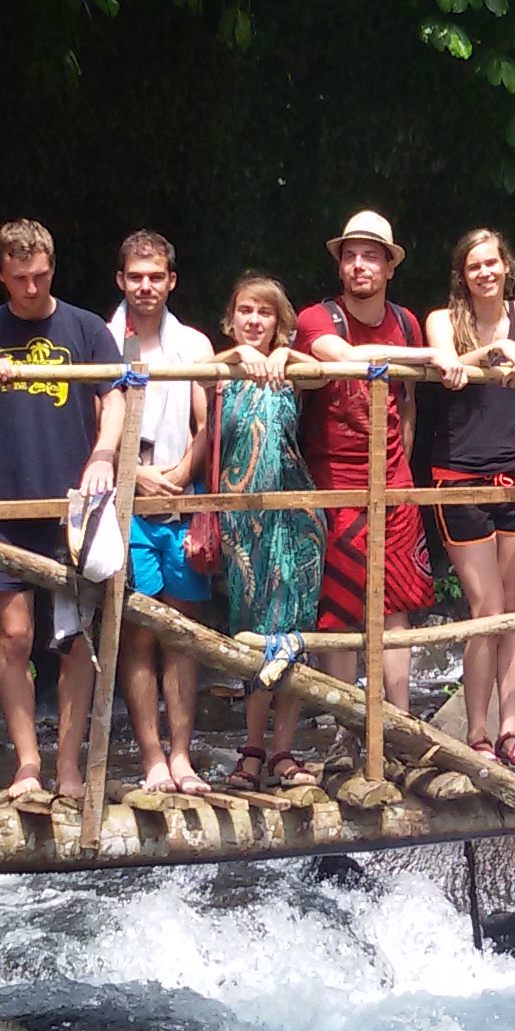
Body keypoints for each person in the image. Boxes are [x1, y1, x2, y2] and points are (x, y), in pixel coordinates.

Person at [0, 219, 128, 803]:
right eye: (20, 277)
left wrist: (104, 452)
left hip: (73, 507)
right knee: (13, 636)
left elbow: (116, 396)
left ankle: (68, 768)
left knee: (75, 638)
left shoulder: (85, 327)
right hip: (4, 500)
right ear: (1, 273)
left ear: (53, 267)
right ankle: (27, 764)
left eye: (40, 275)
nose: (31, 288)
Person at [422, 229, 515, 773]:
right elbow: (447, 360)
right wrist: (497, 350)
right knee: (485, 611)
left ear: (508, 266)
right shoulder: (445, 317)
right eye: (473, 266)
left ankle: (510, 732)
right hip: (460, 474)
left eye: (492, 263)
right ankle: (477, 731)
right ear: (462, 275)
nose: (485, 272)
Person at [295, 211, 446, 729]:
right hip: (334, 477)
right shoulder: (318, 318)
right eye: (351, 256)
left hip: (393, 477)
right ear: (340, 266)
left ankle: (399, 724)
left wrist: (398, 463)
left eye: (371, 256)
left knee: (398, 599)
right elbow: (350, 357)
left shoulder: (405, 321)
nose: (360, 265)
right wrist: (428, 353)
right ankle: (344, 726)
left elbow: (406, 406)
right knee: (338, 603)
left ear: (389, 266)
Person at [109, 231, 215, 796]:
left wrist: (177, 474)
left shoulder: (193, 344)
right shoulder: (102, 340)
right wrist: (138, 475)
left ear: (171, 280)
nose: (145, 286)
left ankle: (182, 756)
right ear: (121, 280)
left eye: (156, 276)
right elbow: (93, 424)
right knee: (139, 631)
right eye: (136, 276)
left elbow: (207, 421)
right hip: (126, 503)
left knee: (184, 632)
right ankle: (150, 757)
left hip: (181, 496)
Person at [211, 274, 326, 789]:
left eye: (264, 313)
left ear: (280, 323)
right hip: (242, 524)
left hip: (295, 520)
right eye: (245, 311)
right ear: (232, 317)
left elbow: (322, 373)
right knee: (251, 631)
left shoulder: (288, 369)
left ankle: (284, 752)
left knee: (294, 633)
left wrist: (288, 357)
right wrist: (238, 356)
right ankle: (251, 750)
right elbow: (202, 374)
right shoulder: (219, 367)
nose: (253, 321)